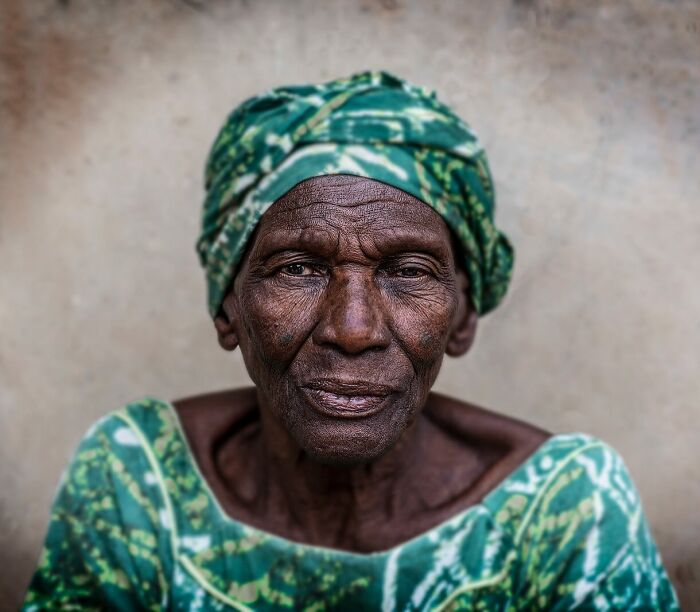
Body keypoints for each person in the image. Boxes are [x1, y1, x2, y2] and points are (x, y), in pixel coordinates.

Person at [23, 71, 678, 611]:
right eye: (297, 269)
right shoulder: (137, 483)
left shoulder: (565, 509)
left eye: (410, 272)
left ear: (463, 315)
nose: (352, 329)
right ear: (227, 307)